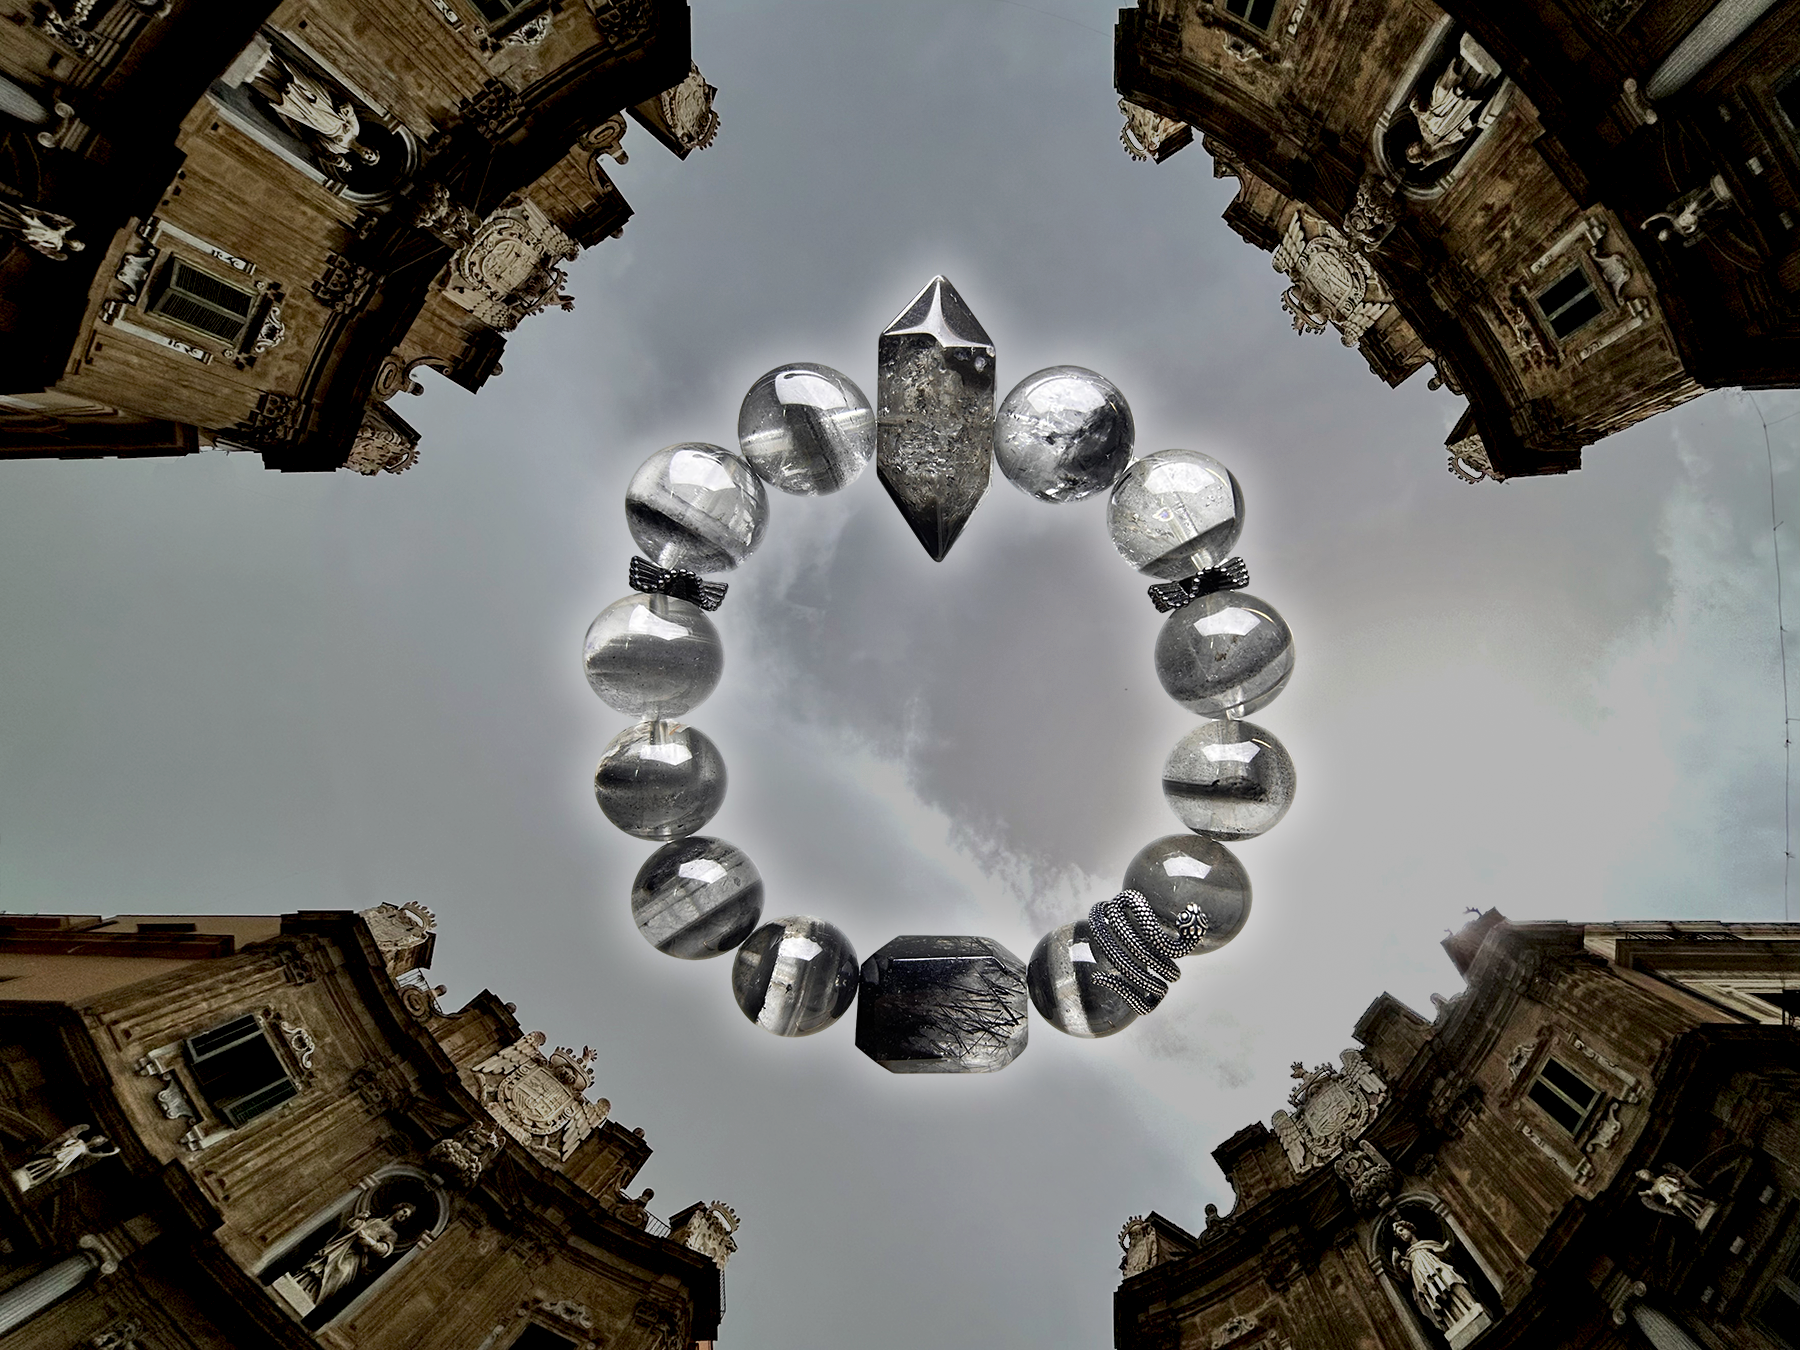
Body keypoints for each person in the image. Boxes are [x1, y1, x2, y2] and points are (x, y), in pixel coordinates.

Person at [292, 1202, 415, 1308]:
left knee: (340, 1274)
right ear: (397, 1209)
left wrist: (368, 1240)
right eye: (404, 1211)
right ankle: (299, 1287)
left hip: (355, 1257)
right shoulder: (375, 1220)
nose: (403, 1215)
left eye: (406, 1216)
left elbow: (384, 1250)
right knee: (319, 1267)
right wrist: (358, 1219)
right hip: (343, 1247)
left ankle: (311, 1299)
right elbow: (349, 1228)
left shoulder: (392, 1234)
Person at [1390, 1219, 1481, 1331]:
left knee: (1453, 1282)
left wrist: (1442, 1251)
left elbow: (1449, 1257)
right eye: (1399, 1234)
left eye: (1402, 1230)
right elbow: (1405, 1278)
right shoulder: (1408, 1256)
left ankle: (1472, 1306)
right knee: (1439, 1299)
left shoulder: (1428, 1243)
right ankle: (1455, 1323)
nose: (1401, 1235)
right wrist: (1396, 1264)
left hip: (1439, 1270)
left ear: (1410, 1229)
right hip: (1426, 1282)